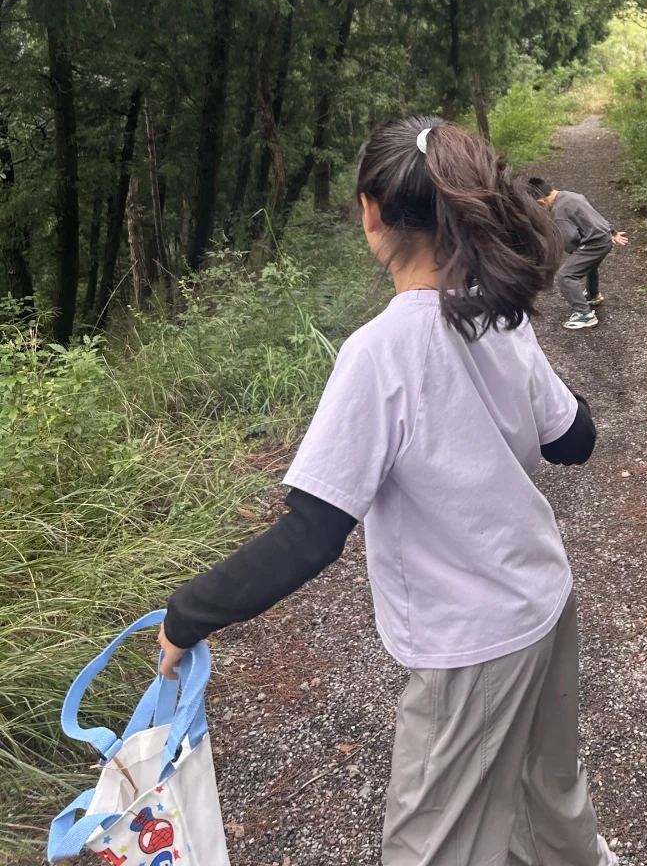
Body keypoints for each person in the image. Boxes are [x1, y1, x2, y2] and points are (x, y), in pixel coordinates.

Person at [157, 116, 618, 866]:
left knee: (430, 847)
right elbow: (577, 440)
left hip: (472, 645)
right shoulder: (495, 312)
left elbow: (311, 532)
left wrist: (187, 615)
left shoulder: (379, 352)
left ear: (371, 211)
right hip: (544, 600)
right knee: (551, 801)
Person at [526, 178, 629, 330]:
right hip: (604, 238)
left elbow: (570, 238)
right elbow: (594, 215)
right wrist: (612, 231)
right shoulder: (571, 195)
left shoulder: (559, 210)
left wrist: (575, 252)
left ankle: (585, 315)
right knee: (590, 266)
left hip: (595, 243)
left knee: (565, 276)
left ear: (541, 202)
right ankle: (593, 295)